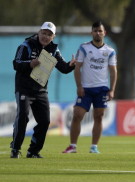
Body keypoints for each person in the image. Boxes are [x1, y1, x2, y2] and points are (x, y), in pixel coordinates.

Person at [11, 22, 76, 158]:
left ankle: (33, 151)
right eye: (44, 33)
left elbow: (63, 68)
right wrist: (30, 64)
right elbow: (16, 64)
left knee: (45, 121)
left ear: (53, 37)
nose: (45, 36)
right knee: (22, 118)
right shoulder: (26, 45)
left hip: (40, 90)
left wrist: (71, 65)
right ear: (39, 32)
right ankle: (15, 149)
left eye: (49, 34)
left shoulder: (53, 50)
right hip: (24, 89)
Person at [62, 21, 117, 154]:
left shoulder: (110, 51)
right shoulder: (84, 48)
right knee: (77, 115)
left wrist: (112, 89)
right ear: (91, 32)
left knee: (99, 116)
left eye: (100, 31)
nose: (98, 33)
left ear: (105, 33)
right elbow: (77, 68)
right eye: (95, 30)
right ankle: (73, 146)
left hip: (101, 89)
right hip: (86, 89)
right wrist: (79, 86)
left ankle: (94, 147)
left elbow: (113, 71)